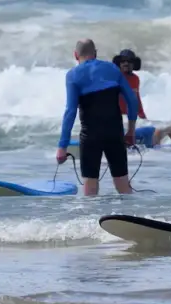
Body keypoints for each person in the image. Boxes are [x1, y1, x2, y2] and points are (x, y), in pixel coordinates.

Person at [56, 39, 139, 195]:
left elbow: (70, 111)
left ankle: (90, 219)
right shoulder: (113, 69)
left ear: (75, 55)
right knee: (123, 184)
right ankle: (133, 216)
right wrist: (131, 131)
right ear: (95, 53)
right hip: (114, 132)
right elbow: (132, 100)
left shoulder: (73, 75)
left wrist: (62, 146)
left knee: (90, 186)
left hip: (90, 136)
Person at [112, 49, 148, 120]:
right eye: (123, 61)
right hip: (115, 117)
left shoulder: (135, 79)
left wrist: (142, 114)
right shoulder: (113, 77)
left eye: (129, 61)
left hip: (129, 118)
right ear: (119, 63)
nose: (126, 63)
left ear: (134, 64)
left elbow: (136, 98)